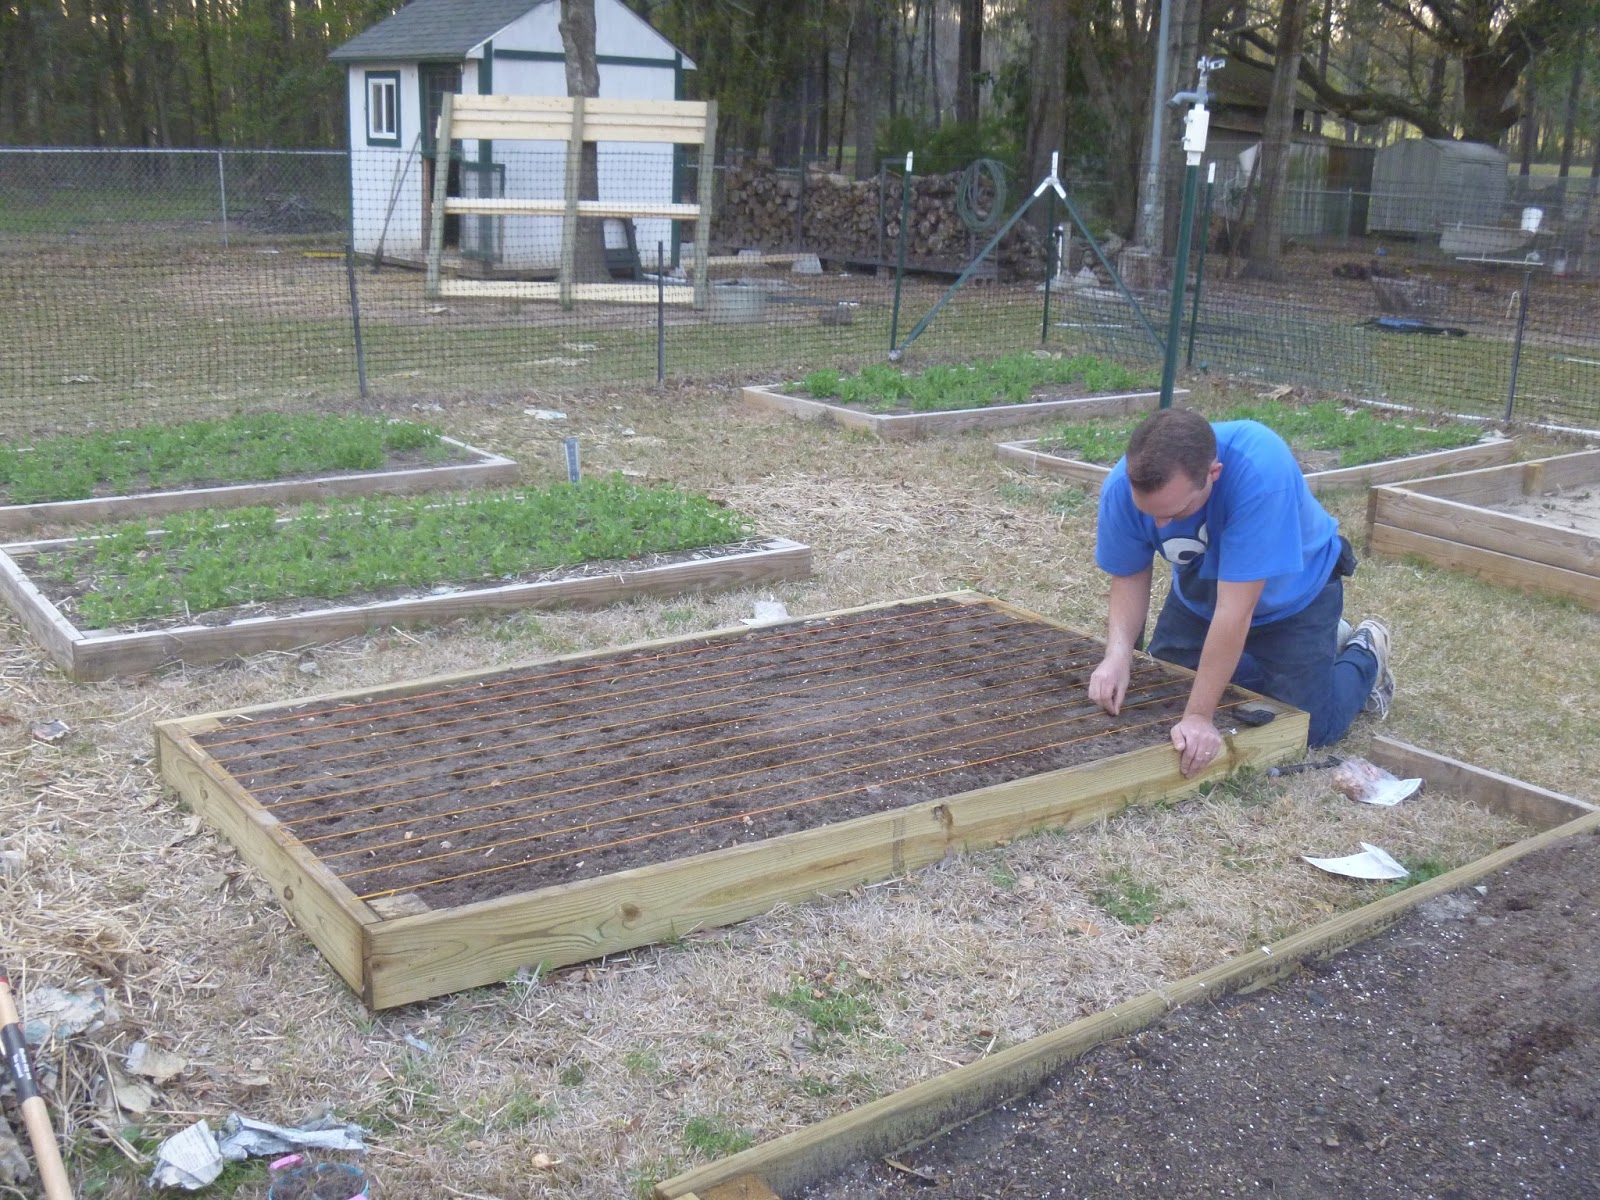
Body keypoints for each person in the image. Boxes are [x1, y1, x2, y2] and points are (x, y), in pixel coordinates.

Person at [1086, 407, 1393, 777]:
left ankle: (1364, 652)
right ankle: (1303, 653)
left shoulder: (1261, 471)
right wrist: (1118, 655)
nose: (1159, 525)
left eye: (1175, 511)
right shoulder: (1122, 486)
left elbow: (1235, 611)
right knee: (1167, 692)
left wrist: (1200, 716)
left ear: (1213, 474)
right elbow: (1130, 575)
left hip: (1295, 598)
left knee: (1308, 727)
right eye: (1148, 512)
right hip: (1202, 592)